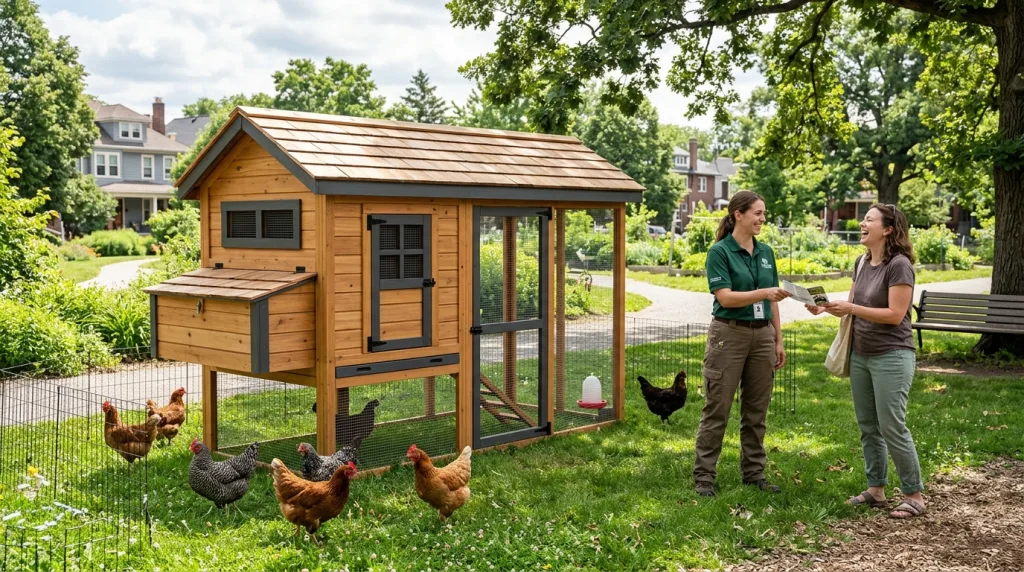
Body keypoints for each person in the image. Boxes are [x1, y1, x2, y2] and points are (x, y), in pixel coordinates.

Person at [807, 203, 926, 519]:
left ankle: (914, 495)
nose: (862, 223)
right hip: (861, 354)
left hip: (892, 355)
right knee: (868, 426)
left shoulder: (899, 265)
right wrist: (825, 307)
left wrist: (852, 309)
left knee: (891, 425)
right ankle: (876, 489)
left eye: (869, 219)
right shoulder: (861, 262)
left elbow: (895, 314)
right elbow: (853, 304)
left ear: (887, 230)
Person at [694, 191, 791, 497]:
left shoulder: (766, 252)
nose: (762, 219)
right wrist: (764, 294)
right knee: (717, 407)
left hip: (762, 336)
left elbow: (773, 299)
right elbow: (725, 297)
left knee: (756, 410)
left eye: (764, 214)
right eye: (757, 213)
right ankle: (704, 476)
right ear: (738, 214)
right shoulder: (720, 252)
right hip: (729, 335)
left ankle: (753, 473)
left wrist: (778, 339)